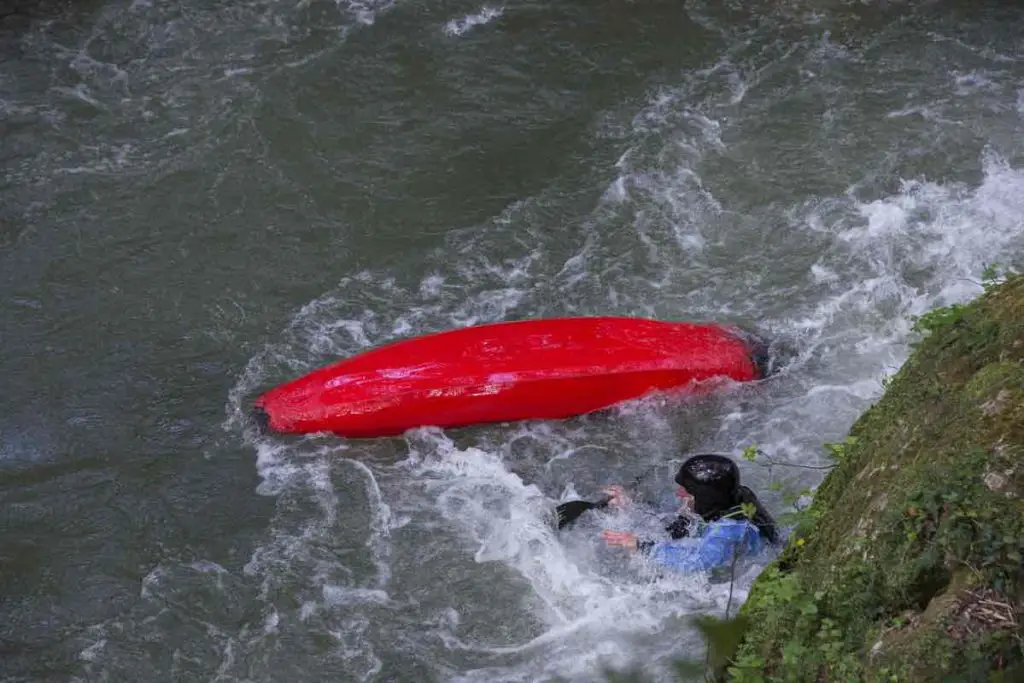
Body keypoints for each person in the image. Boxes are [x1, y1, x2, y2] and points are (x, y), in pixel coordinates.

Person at [599, 454, 779, 575]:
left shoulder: (731, 531)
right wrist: (630, 505)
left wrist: (642, 547)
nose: (679, 494)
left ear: (705, 498)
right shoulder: (729, 498)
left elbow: (696, 563)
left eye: (687, 492)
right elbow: (672, 526)